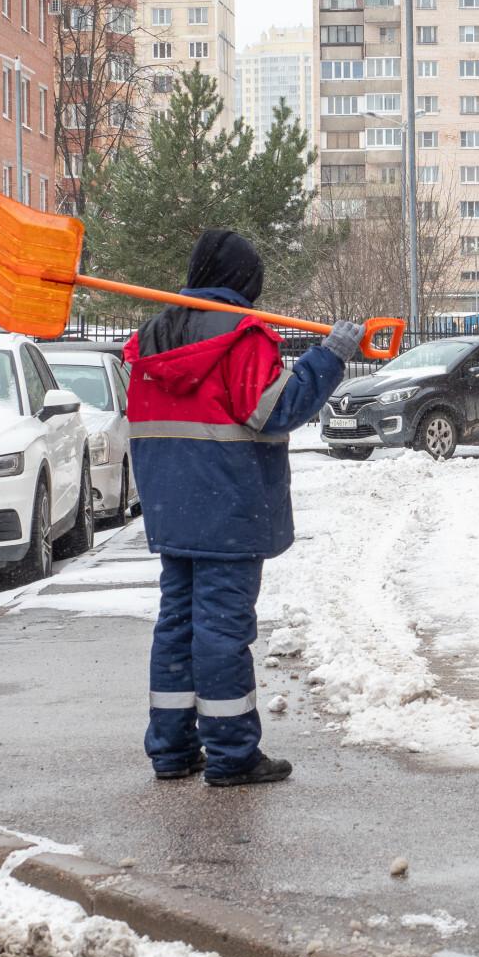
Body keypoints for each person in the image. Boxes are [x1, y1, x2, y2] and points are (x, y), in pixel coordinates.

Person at [123, 230, 365, 787]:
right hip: (228, 507)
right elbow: (276, 410)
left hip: (171, 504)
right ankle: (232, 754)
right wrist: (329, 358)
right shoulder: (244, 337)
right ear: (245, 282)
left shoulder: (155, 335)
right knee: (222, 632)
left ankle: (172, 748)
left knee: (177, 626)